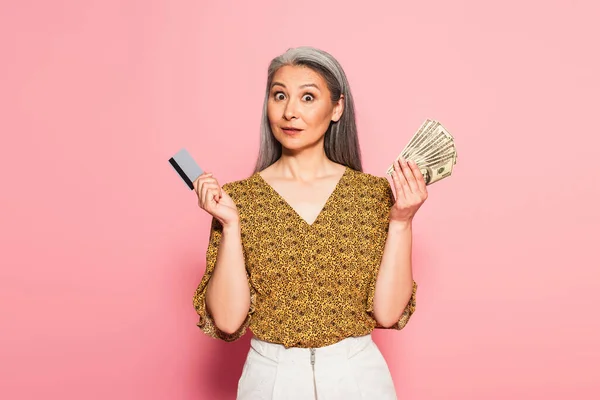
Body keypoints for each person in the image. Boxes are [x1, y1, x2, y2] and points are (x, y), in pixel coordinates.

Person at [192, 46, 427, 400]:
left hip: (358, 377)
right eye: (280, 95)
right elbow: (227, 321)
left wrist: (402, 222)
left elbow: (388, 313)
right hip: (270, 379)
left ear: (337, 108)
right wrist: (231, 225)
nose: (290, 112)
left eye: (307, 97)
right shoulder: (237, 200)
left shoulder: (374, 195)